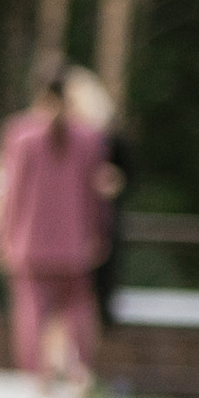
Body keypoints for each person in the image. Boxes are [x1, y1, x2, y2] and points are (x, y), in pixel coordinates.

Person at [0, 59, 113, 390]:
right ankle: (80, 371)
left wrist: (3, 234)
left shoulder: (20, 134)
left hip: (30, 241)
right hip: (75, 240)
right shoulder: (89, 137)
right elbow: (96, 196)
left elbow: (11, 192)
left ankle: (39, 376)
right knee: (76, 309)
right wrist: (98, 233)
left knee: (32, 310)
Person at [65, 64, 133, 327]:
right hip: (72, 228)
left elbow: (127, 175)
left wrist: (113, 182)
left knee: (92, 296)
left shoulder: (108, 141)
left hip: (97, 226)